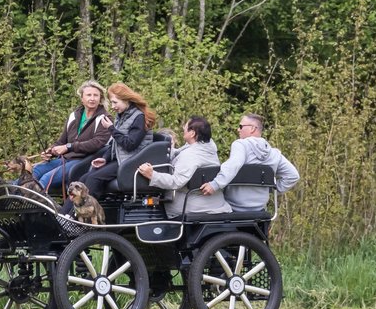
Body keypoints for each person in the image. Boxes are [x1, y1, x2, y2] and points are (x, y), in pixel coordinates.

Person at [59, 82, 157, 215]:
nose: (113, 107)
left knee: (94, 178)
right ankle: (63, 215)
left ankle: (79, 215)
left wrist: (111, 128)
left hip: (131, 162)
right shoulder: (122, 115)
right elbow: (115, 144)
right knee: (83, 179)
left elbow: (130, 144)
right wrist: (105, 158)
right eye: (111, 103)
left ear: (125, 99)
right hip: (121, 159)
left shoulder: (139, 117)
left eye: (115, 102)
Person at [200, 113, 299, 213]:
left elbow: (233, 165)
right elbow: (293, 176)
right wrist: (271, 189)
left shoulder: (240, 145)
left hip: (232, 208)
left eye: (241, 126)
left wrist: (215, 184)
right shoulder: (274, 154)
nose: (238, 129)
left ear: (252, 128)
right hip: (259, 211)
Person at [136, 116, 231, 217]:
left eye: (185, 127)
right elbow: (179, 152)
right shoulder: (205, 147)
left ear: (192, 133)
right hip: (210, 202)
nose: (183, 129)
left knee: (148, 202)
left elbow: (176, 182)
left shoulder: (192, 155)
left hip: (193, 205)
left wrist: (152, 175)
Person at [31, 80, 112, 191]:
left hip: (84, 161)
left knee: (46, 178)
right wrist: (51, 151)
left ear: (100, 98)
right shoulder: (74, 115)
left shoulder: (105, 118)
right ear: (82, 98)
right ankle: (11, 196)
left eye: (95, 95)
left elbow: (96, 144)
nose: (92, 98)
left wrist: (69, 147)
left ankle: (32, 203)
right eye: (89, 95)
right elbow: (61, 141)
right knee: (34, 171)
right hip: (65, 159)